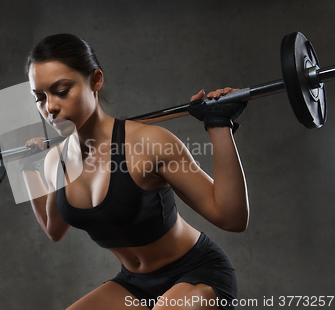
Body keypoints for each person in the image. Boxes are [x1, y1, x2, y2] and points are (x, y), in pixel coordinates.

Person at [19, 33, 249, 310]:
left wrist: (219, 124)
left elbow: (232, 218)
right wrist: (28, 169)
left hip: (196, 274)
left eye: (61, 91)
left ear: (96, 80)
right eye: (39, 98)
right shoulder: (55, 161)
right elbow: (53, 229)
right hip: (134, 284)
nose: (50, 107)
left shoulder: (148, 143)